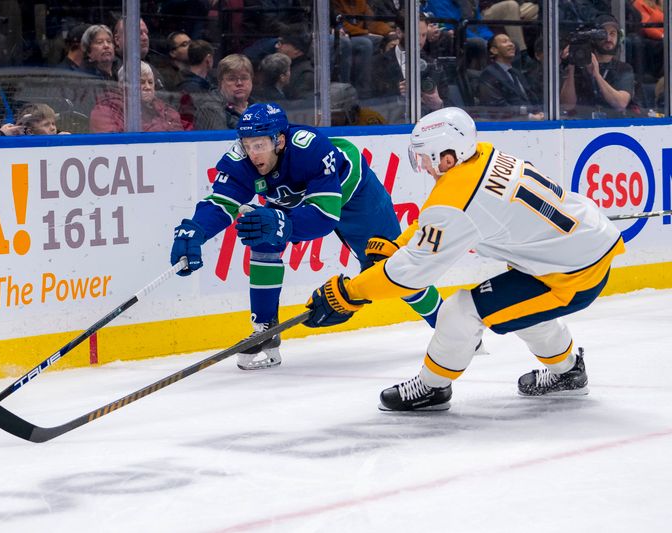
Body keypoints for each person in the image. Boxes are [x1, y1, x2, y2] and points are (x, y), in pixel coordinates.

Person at [303, 106, 625, 411]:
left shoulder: (458, 197)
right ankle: (568, 373)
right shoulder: (480, 155)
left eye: (424, 158)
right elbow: (440, 217)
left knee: (461, 311)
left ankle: (432, 387)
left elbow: (410, 273)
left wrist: (350, 293)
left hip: (572, 273)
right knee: (520, 309)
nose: (423, 167)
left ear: (446, 157)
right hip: (578, 246)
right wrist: (398, 243)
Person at [170, 102, 444, 370]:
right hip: (297, 200)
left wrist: (282, 222)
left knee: (389, 266)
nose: (252, 154)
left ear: (279, 141)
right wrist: (196, 230)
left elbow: (324, 217)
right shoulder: (241, 158)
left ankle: (446, 325)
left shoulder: (310, 148)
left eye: (259, 145)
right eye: (247, 144)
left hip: (355, 197)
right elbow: (220, 202)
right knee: (263, 234)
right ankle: (265, 329)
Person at [560, 13, 636, 119]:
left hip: (614, 126)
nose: (608, 38)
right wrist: (571, 66)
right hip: (581, 126)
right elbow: (567, 105)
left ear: (619, 37)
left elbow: (620, 104)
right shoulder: (579, 66)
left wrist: (596, 75)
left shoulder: (624, 68)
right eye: (603, 34)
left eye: (612, 33)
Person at [90, 63, 189, 133]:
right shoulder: (105, 111)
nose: (147, 87)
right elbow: (115, 146)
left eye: (150, 82)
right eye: (141, 82)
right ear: (123, 85)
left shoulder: (167, 111)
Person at [478, 34, 544, 119]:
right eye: (505, 42)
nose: (511, 44)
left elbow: (531, 96)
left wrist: (539, 111)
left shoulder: (516, 73)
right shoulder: (489, 74)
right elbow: (497, 108)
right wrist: (529, 117)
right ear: (494, 50)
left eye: (510, 41)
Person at [192, 54, 255, 130]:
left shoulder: (257, 106)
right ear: (220, 82)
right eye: (232, 79)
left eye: (244, 78)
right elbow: (219, 140)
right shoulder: (209, 109)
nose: (239, 83)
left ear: (251, 79)